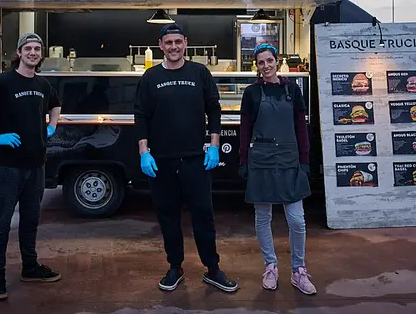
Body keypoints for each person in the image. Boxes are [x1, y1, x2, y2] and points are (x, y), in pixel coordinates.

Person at [134, 23, 238, 293]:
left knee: (204, 215)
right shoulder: (150, 77)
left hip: (195, 159)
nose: (173, 47)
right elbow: (141, 116)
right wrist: (144, 152)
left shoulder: (199, 73)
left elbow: (214, 109)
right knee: (168, 216)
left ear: (186, 43)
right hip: (162, 161)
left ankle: (212, 268)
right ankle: (175, 267)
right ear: (160, 46)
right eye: (168, 43)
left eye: (178, 42)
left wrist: (214, 145)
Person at [0, 32, 63, 301]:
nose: (32, 52)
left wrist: (52, 125)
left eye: (37, 48)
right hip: (8, 167)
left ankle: (30, 268)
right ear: (18, 52)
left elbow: (56, 103)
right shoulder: (1, 82)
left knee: (30, 221)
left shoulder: (42, 84)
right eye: (28, 48)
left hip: (36, 166)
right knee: (2, 224)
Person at [238, 43, 317, 295]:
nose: (266, 66)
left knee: (297, 220)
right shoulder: (251, 93)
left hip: (289, 159)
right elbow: (245, 131)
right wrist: (243, 161)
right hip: (260, 160)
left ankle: (298, 270)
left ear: (277, 60)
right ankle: (270, 266)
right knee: (263, 218)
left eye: (269, 60)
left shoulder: (292, 90)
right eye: (261, 62)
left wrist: (304, 160)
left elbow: (301, 128)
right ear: (257, 66)